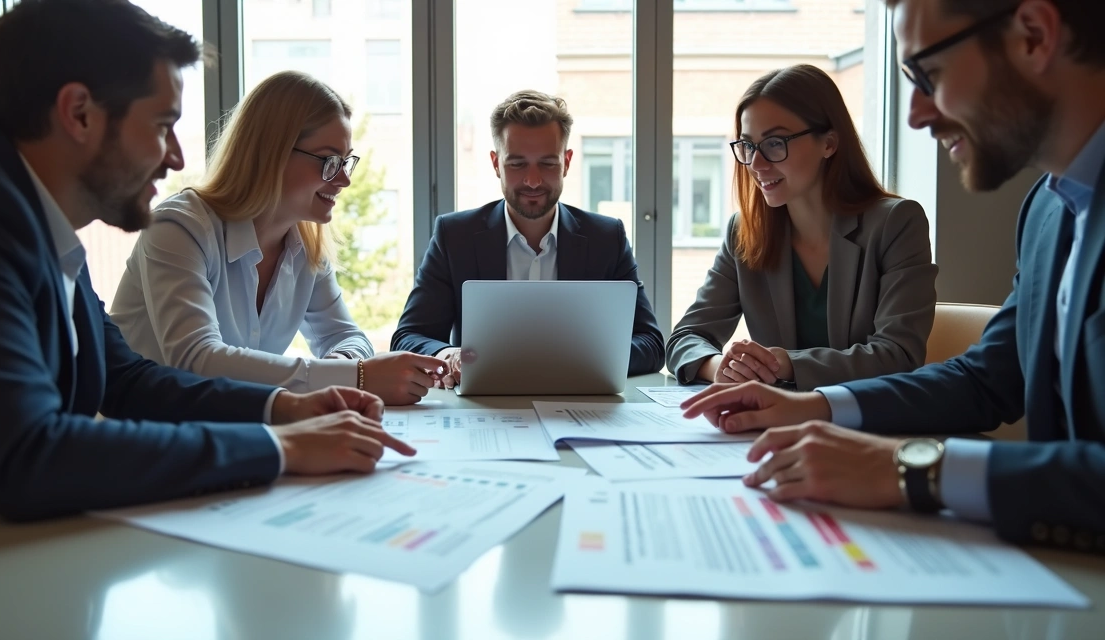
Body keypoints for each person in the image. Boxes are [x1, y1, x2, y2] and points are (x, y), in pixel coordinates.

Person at [0, 0, 413, 568]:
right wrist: (278, 448)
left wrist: (283, 409)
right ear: (79, 113)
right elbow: (28, 454)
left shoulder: (38, 218)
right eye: (163, 125)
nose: (177, 156)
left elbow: (128, 379)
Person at [682, 0, 1105, 552]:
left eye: (930, 73)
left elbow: (900, 353)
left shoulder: (896, 221)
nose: (917, 115)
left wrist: (912, 470)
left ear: (1033, 35)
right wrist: (813, 406)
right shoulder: (1048, 210)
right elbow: (988, 380)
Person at [111, 71, 446, 406]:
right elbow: (196, 360)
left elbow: (345, 335)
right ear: (271, 153)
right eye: (330, 161)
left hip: (229, 432)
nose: (344, 179)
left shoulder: (305, 243)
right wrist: (356, 377)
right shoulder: (179, 227)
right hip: (143, 441)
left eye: (346, 162)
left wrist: (339, 368)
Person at [668, 64, 937, 391]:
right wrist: (720, 367)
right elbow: (685, 338)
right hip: (774, 426)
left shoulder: (896, 223)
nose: (756, 164)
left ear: (829, 143)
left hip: (863, 427)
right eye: (748, 145)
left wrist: (783, 363)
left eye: (775, 143)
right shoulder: (745, 231)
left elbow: (899, 355)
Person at [391, 90, 666, 387]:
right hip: (483, 412)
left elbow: (651, 344)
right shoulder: (454, 236)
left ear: (567, 162)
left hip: (581, 407)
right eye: (517, 164)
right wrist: (448, 354)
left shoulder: (606, 238)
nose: (533, 181)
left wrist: (570, 359)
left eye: (547, 164)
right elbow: (408, 337)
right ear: (496, 164)